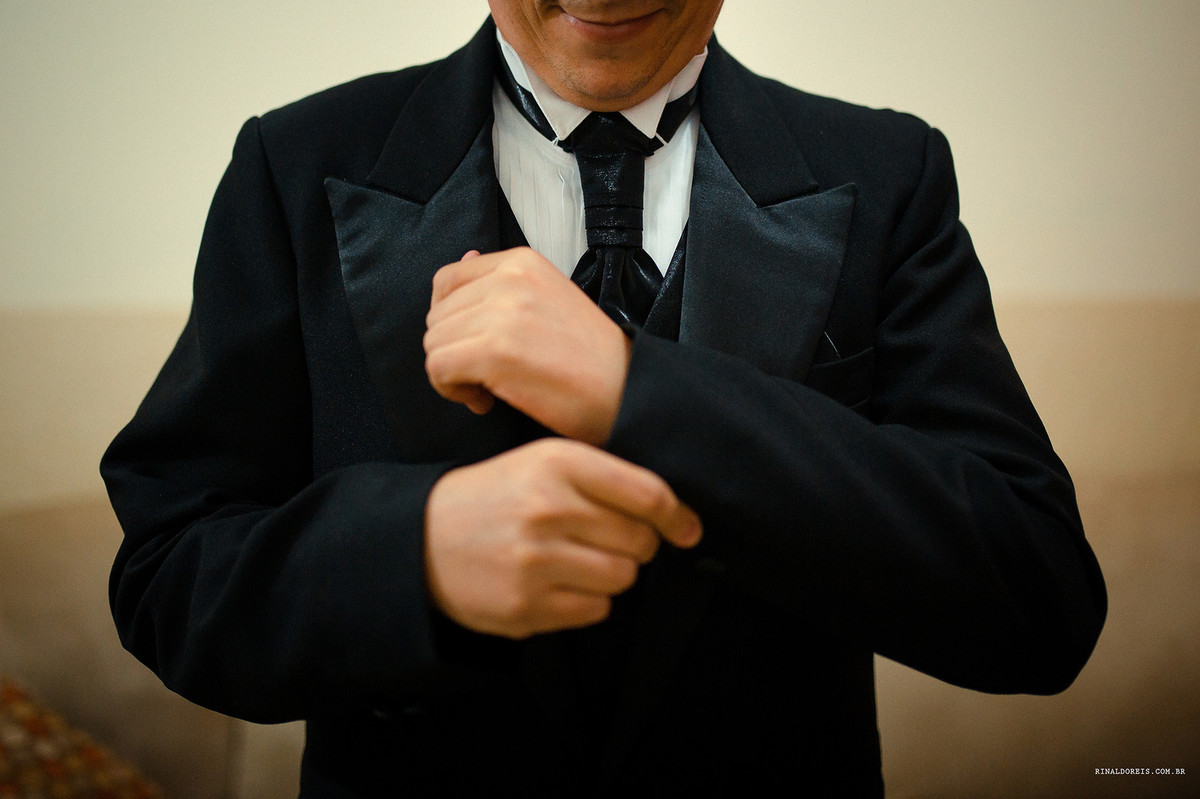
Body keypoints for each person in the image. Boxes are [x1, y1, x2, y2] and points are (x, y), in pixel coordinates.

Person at [101, 1, 1107, 795]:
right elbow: (169, 575)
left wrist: (639, 388)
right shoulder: (293, 165)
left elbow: (1037, 596)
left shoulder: (890, 173)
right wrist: (415, 555)